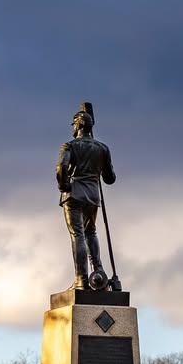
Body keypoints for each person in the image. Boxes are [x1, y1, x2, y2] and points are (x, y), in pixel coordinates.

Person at [56, 109, 116, 290]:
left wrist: (63, 185)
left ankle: (81, 279)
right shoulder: (103, 148)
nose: (73, 128)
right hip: (93, 195)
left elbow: (61, 167)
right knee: (91, 232)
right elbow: (110, 178)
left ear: (80, 124)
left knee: (78, 234)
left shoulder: (69, 146)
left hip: (74, 193)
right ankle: (98, 273)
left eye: (74, 124)